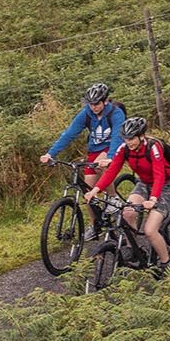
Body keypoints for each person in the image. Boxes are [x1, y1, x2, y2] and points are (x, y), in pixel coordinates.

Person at [84, 117, 170, 269]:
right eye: (126, 139)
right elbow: (112, 171)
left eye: (132, 138)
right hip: (143, 184)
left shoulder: (153, 147)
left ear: (141, 136)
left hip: (165, 186)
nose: (129, 142)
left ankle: (167, 263)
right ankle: (135, 250)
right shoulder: (124, 148)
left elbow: (159, 175)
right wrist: (95, 190)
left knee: (150, 231)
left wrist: (153, 199)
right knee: (127, 213)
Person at [41, 82, 127, 239]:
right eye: (91, 104)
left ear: (105, 101)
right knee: (88, 191)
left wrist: (109, 157)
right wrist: (50, 154)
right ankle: (96, 225)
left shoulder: (116, 113)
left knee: (101, 165)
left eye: (97, 104)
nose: (94, 107)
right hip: (94, 151)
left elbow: (118, 136)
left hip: (112, 149)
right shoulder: (86, 114)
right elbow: (69, 133)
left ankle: (114, 199)